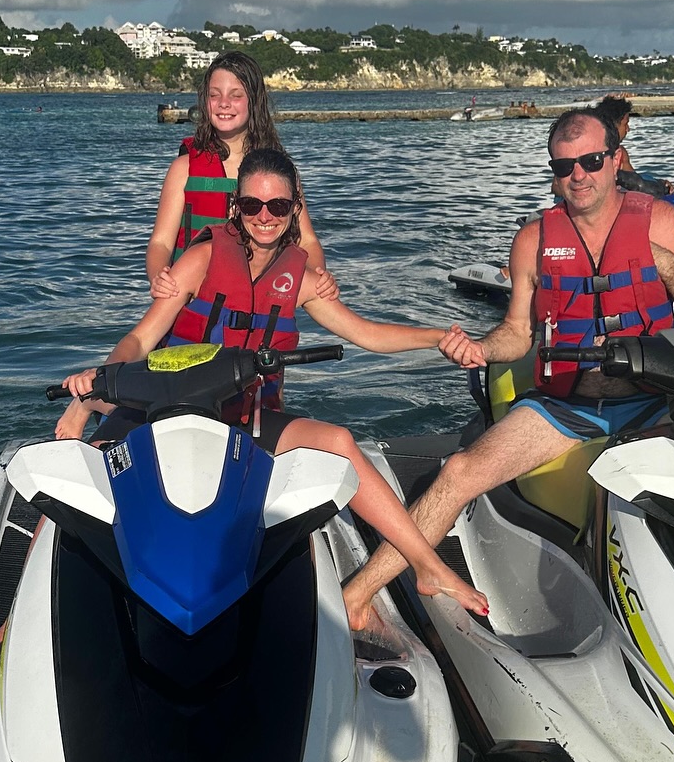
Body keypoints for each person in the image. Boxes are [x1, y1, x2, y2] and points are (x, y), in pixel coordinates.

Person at [57, 148, 489, 627]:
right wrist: (98, 383)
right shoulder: (201, 259)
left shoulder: (301, 278)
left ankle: (427, 567)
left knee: (341, 442)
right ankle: (10, 621)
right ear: (235, 207)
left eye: (278, 206)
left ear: (294, 210)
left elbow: (367, 334)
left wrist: (437, 338)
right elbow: (140, 339)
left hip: (244, 417)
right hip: (165, 410)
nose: (264, 217)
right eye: (252, 205)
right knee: (83, 467)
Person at [341, 110, 674, 628]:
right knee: (457, 472)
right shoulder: (533, 240)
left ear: (615, 161)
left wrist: (670, 266)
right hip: (569, 404)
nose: (579, 176)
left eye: (591, 161)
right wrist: (479, 349)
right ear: (553, 173)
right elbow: (518, 333)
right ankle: (359, 594)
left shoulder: (660, 221)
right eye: (565, 166)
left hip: (658, 398)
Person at [145, 51, 333, 302]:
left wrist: (318, 277)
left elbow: (306, 240)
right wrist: (159, 277)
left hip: (256, 303)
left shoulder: (279, 172)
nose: (224, 103)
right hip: (192, 301)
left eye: (236, 96)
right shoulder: (183, 169)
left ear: (253, 102)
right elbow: (160, 243)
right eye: (214, 95)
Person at [596, 94, 674, 197]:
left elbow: (636, 181)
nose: (628, 129)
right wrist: (662, 189)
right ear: (614, 125)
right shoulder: (616, 153)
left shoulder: (620, 153)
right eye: (625, 124)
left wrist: (661, 184)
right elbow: (639, 185)